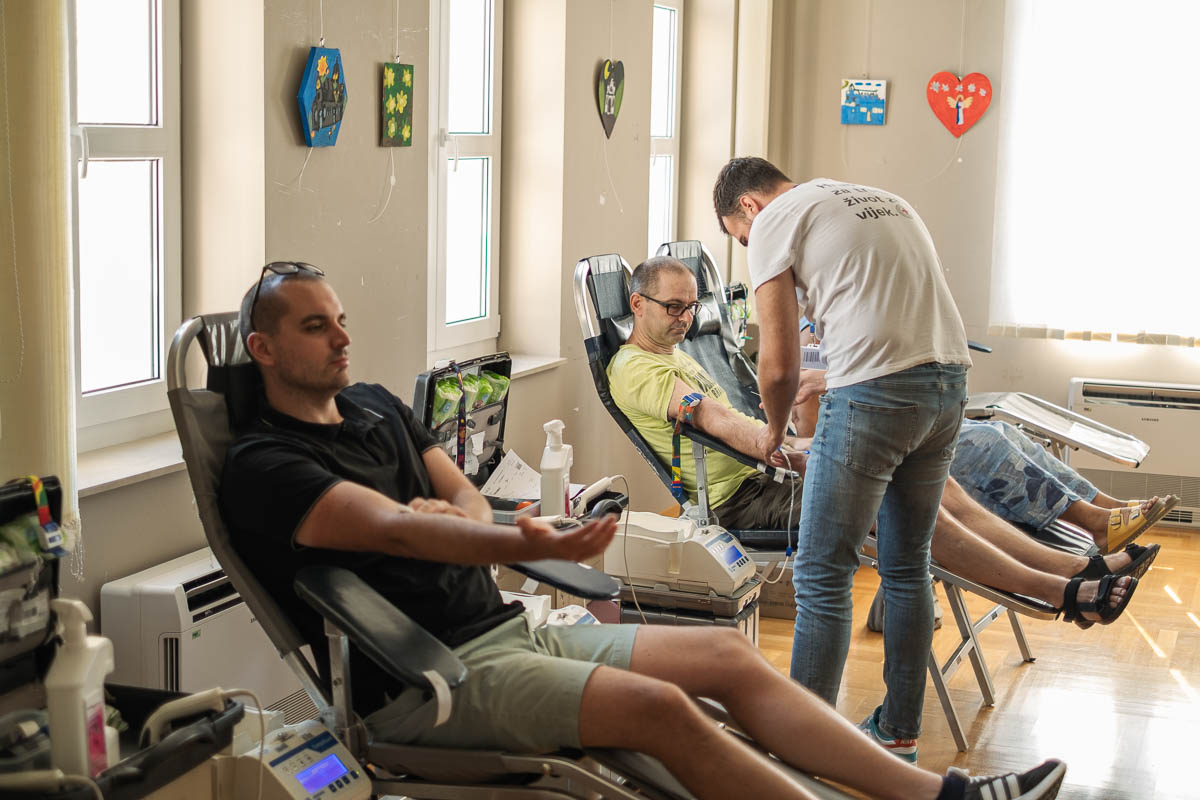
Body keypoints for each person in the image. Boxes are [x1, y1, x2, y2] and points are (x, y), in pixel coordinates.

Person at [218, 263, 1068, 800]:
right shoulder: (266, 465)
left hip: (506, 633)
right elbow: (397, 531)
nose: (343, 337)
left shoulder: (375, 407)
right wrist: (525, 544)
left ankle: (942, 796)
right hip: (430, 680)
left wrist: (473, 523)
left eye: (339, 318)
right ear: (263, 348)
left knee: (728, 657)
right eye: (315, 327)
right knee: (663, 709)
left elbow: (461, 502)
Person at [607, 257, 1144, 640]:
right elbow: (716, 420)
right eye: (673, 307)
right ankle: (1060, 594)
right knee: (901, 505)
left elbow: (747, 417)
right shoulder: (635, 368)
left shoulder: (678, 353)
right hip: (745, 499)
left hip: (774, 474)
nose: (685, 317)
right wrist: (789, 448)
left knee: (928, 482)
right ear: (638, 304)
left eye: (690, 307)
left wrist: (802, 437)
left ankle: (1077, 567)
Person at [711, 157, 982, 758]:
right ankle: (899, 734)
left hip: (875, 397)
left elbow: (777, 365)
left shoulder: (773, 220)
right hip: (947, 384)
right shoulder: (873, 198)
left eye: (740, 237)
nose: (749, 245)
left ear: (748, 207)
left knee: (821, 574)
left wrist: (774, 432)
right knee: (908, 566)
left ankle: (801, 751)